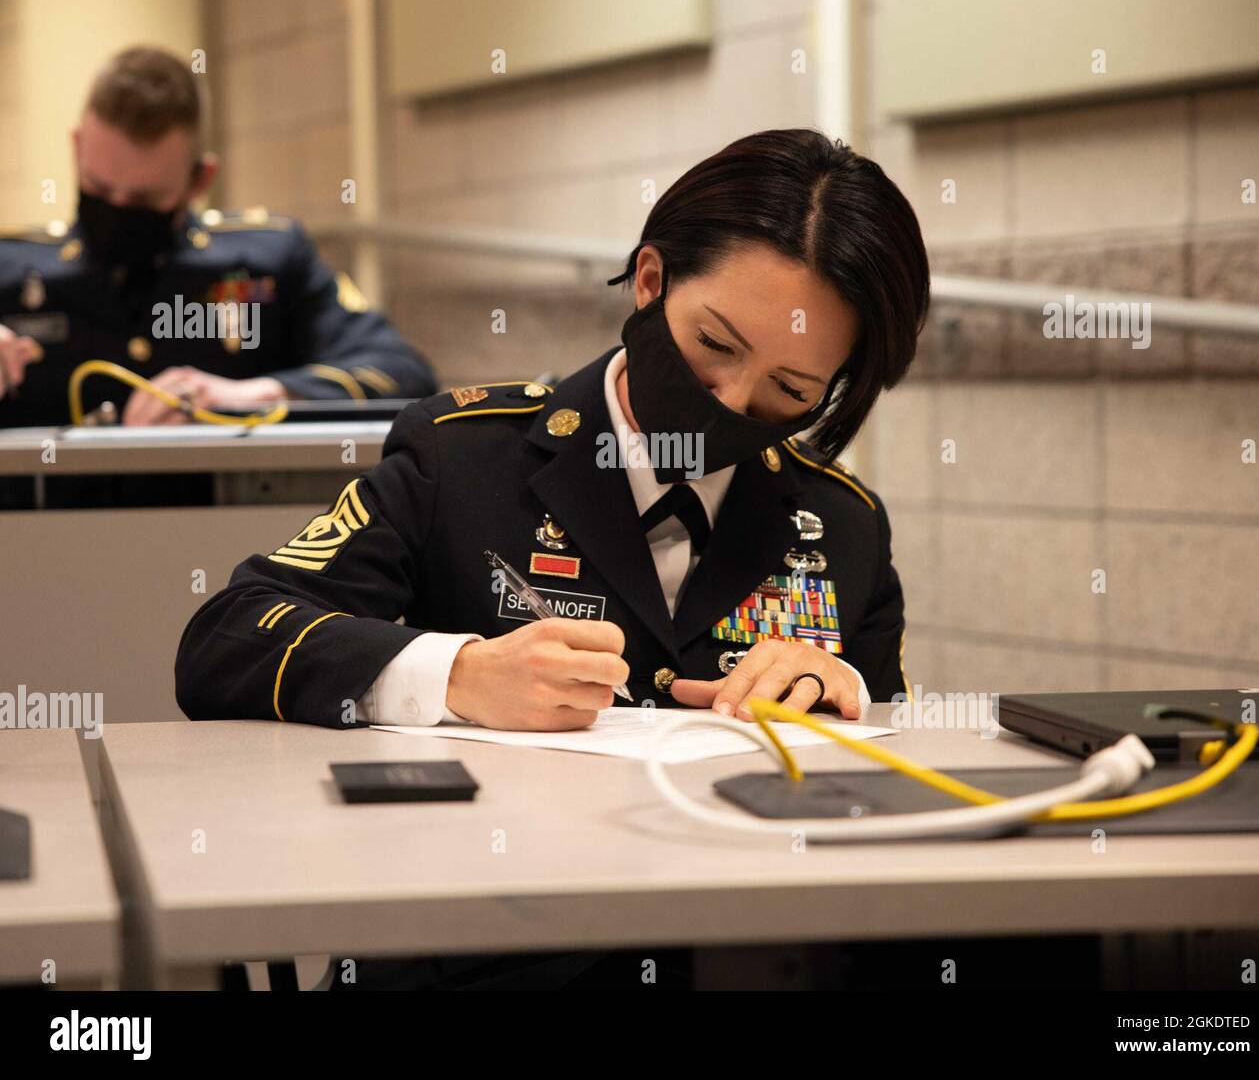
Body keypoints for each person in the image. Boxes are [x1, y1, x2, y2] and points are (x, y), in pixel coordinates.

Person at [176, 127, 930, 989]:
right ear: (650, 281)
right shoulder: (462, 459)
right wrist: (456, 675)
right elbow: (228, 635)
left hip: (747, 948)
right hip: (482, 947)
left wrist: (842, 699)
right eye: (714, 346)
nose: (728, 401)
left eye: (790, 391)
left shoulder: (841, 526)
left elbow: (897, 805)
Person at [0, 46, 437, 430]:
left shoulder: (268, 261)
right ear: (77, 148)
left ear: (199, 179)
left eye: (143, 199)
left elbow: (401, 372)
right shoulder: (12, 270)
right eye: (98, 189)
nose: (116, 209)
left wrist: (256, 395)